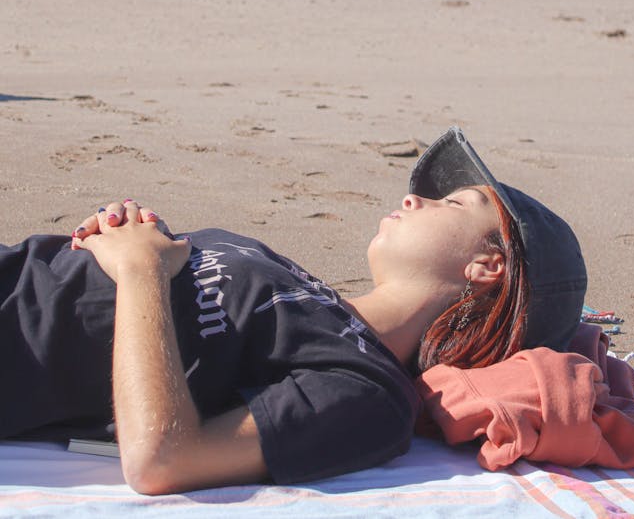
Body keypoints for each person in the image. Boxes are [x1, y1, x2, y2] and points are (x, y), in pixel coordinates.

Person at [0, 126, 586, 495]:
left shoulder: (369, 394)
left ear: (490, 267)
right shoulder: (304, 285)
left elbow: (163, 460)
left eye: (453, 202)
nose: (413, 198)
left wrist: (139, 271)